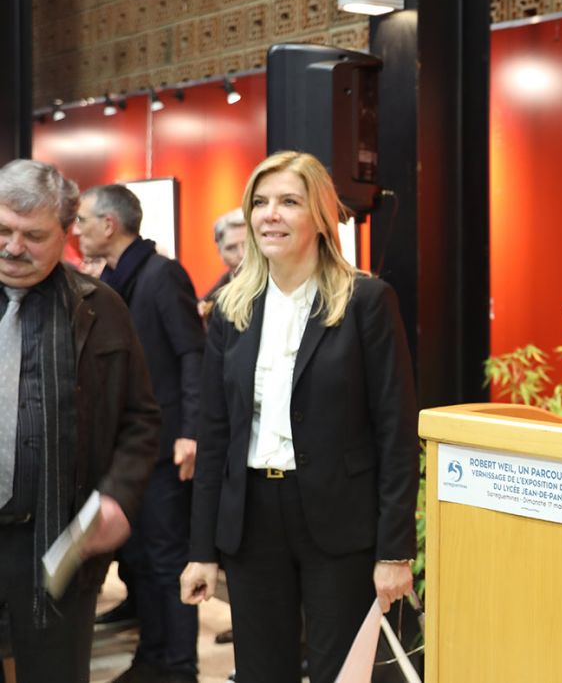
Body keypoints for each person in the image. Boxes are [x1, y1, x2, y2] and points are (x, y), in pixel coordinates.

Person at [180, 151, 419, 682]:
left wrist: (395, 551)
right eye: (260, 203)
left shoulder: (366, 301)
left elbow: (396, 432)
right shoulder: (231, 308)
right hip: (252, 520)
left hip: (339, 519)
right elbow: (213, 436)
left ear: (320, 215)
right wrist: (201, 550)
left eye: (289, 202)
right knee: (263, 671)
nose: (270, 215)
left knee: (344, 673)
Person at [0, 159, 160, 682]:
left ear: (67, 234)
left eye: (33, 235)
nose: (13, 247)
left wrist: (117, 495)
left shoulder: (100, 308)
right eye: (2, 230)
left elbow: (140, 418)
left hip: (53, 541)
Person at [76, 184, 207, 683]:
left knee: (167, 559)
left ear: (109, 225)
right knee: (142, 560)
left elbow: (191, 353)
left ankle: (178, 667)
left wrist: (191, 430)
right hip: (131, 451)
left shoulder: (161, 274)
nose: (78, 230)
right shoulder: (114, 279)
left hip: (167, 446)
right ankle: (152, 658)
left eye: (83, 220)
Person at [198, 209, 246, 321]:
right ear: (221, 254)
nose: (242, 254)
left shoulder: (279, 287)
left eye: (248, 244)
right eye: (231, 248)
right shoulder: (210, 304)